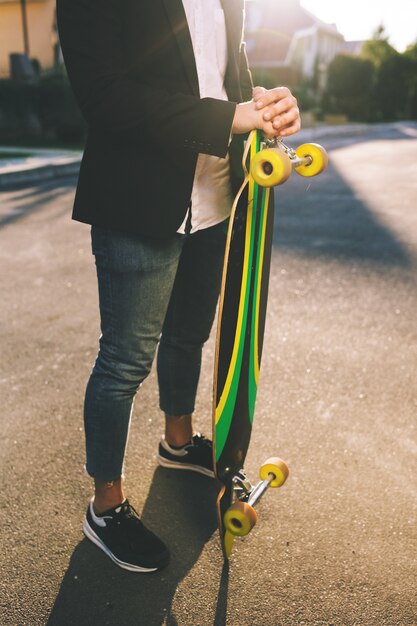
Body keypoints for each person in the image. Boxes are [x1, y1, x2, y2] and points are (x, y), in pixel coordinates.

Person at [56, 0, 300, 573]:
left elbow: (223, 74)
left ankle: (178, 440)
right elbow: (105, 97)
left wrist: (266, 105)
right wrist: (227, 119)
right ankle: (106, 506)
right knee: (123, 363)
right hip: (138, 202)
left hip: (218, 195)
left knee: (188, 333)